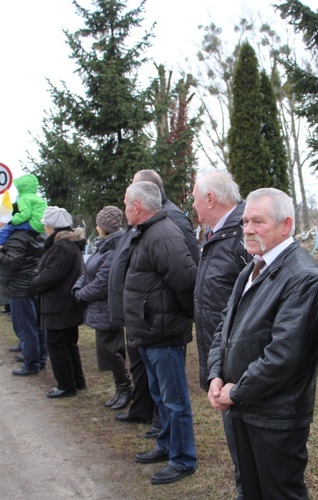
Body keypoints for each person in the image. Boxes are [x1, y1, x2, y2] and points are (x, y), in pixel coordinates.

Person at [206, 188, 318, 500]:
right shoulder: (252, 268)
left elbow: (285, 357)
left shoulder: (304, 279)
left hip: (275, 416)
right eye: (246, 221)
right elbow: (225, 325)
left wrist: (237, 390)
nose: (247, 228)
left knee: (279, 493)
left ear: (285, 225)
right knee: (248, 489)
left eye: (258, 222)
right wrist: (216, 374)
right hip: (241, 407)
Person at [122, 181, 198, 485]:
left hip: (163, 333)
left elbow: (186, 282)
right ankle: (167, 446)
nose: (125, 207)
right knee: (161, 395)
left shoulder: (162, 234)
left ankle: (183, 459)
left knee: (175, 399)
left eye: (127, 202)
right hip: (150, 331)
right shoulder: (147, 232)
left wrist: (175, 320)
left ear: (137, 207)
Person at [191, 170, 250, 497]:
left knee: (248, 441)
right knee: (237, 440)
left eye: (196, 198)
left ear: (211, 199)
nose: (194, 204)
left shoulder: (243, 232)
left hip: (241, 355)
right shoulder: (215, 233)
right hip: (222, 351)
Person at [73, 206, 133, 409]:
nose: (96, 226)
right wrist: (78, 285)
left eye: (99, 223)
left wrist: (81, 294)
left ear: (104, 227)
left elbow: (102, 283)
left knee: (112, 351)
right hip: (101, 308)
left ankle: (125, 387)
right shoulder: (104, 246)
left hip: (108, 307)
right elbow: (88, 270)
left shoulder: (113, 249)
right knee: (109, 351)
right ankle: (122, 387)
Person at [32, 206, 87, 398]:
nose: (44, 228)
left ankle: (66, 385)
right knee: (69, 344)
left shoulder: (61, 247)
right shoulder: (69, 244)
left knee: (57, 345)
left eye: (46, 225)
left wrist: (35, 280)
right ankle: (76, 381)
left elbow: (50, 276)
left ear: (52, 227)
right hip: (68, 303)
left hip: (59, 305)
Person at [0, 207, 47, 377]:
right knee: (38, 325)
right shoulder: (38, 233)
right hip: (32, 283)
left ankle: (31, 363)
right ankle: (39, 357)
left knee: (26, 327)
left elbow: (13, 261)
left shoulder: (18, 236)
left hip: (20, 287)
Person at [0, 174, 47, 248]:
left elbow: (25, 214)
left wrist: (12, 220)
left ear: (21, 187)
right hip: (43, 224)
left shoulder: (24, 198)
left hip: (34, 223)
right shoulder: (36, 198)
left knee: (7, 229)